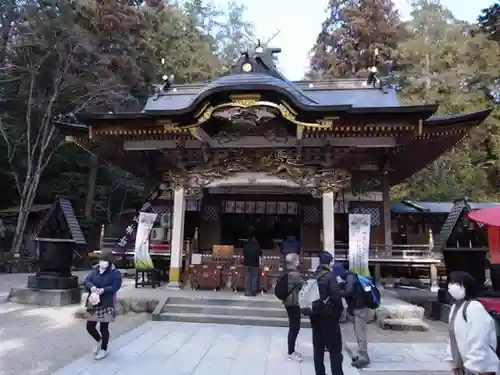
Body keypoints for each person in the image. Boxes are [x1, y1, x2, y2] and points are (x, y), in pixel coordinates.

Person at [446, 271, 499, 375]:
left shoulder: (474, 307)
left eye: (457, 284)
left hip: (480, 369)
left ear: (467, 287)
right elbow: (453, 337)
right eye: (450, 283)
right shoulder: (454, 308)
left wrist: (474, 365)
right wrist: (453, 361)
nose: (451, 287)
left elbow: (479, 338)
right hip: (463, 366)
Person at [309, 251, 345, 375]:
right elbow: (337, 298)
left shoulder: (314, 276)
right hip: (329, 317)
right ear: (330, 263)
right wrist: (337, 314)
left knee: (318, 350)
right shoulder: (330, 276)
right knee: (335, 350)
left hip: (315, 316)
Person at [83, 252, 122, 360]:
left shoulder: (115, 273)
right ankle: (98, 340)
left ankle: (104, 349)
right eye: (100, 261)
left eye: (104, 261)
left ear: (109, 262)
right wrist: (91, 287)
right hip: (94, 301)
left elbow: (116, 286)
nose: (102, 263)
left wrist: (104, 290)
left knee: (103, 327)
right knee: (89, 326)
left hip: (107, 302)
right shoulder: (95, 270)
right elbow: (86, 280)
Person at [332, 263, 370, 369]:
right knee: (357, 331)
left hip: (360, 309)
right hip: (356, 308)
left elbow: (348, 291)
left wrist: (335, 292)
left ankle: (364, 357)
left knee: (360, 333)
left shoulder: (350, 278)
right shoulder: (350, 276)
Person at [283, 252, 306, 362]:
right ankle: (291, 353)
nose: (299, 261)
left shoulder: (286, 272)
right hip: (293, 303)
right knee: (294, 328)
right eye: (298, 260)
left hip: (288, 302)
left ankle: (292, 351)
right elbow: (305, 285)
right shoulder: (294, 275)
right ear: (294, 261)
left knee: (293, 327)